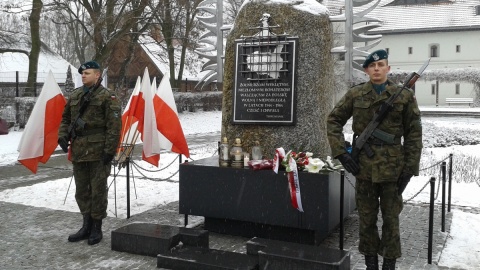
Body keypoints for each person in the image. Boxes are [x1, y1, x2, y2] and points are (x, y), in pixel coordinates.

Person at [327, 49, 422, 270]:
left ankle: (389, 265)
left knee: (391, 221)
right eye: (373, 66)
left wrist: (409, 169)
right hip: (364, 169)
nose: (377, 69)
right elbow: (334, 120)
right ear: (367, 70)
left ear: (388, 68)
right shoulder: (356, 94)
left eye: (381, 65)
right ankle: (371, 264)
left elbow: (414, 134)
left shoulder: (404, 96)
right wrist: (341, 152)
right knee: (367, 221)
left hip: (393, 170)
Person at [58, 61, 121, 245]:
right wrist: (62, 135)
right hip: (79, 151)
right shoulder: (76, 95)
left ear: (97, 75)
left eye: (87, 73)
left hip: (98, 151)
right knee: (82, 191)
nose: (83, 76)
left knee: (98, 191)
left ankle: (96, 227)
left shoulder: (108, 97)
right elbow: (65, 117)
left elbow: (114, 126)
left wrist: (109, 151)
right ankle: (86, 225)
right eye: (82, 73)